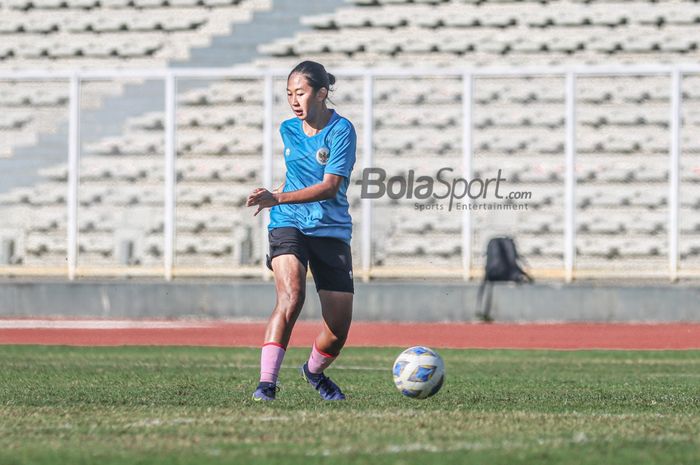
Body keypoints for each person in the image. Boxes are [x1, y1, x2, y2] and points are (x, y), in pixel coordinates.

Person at [246, 61, 357, 401]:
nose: (294, 100)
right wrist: (275, 200)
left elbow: (328, 187)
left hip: (330, 229)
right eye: (289, 94)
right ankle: (266, 384)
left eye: (301, 93)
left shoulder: (341, 131)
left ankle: (312, 370)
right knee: (292, 296)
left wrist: (276, 196)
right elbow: (297, 177)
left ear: (322, 93)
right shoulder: (288, 129)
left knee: (337, 330)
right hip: (288, 221)